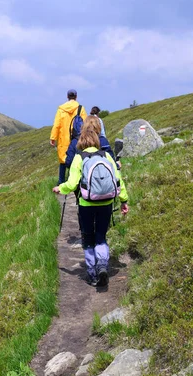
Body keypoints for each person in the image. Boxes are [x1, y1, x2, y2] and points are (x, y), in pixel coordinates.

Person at [52, 116, 129, 287]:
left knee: (88, 237)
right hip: (106, 203)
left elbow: (72, 183)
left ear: (81, 140)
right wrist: (124, 200)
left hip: (86, 203)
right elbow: (118, 180)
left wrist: (60, 189)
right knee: (101, 236)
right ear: (97, 139)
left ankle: (92, 273)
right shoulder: (106, 156)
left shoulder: (79, 158)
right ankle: (103, 265)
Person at [50, 89, 87, 184]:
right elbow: (85, 123)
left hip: (63, 139)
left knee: (63, 160)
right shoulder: (80, 108)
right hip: (76, 139)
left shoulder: (61, 109)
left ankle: (61, 181)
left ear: (67, 97)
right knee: (76, 158)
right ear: (76, 96)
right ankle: (74, 180)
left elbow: (56, 124)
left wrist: (53, 138)